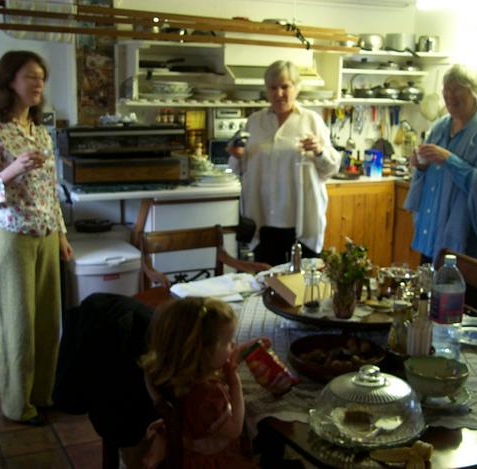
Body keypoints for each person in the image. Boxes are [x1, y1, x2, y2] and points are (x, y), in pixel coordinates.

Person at [0, 50, 73, 425]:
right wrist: (10, 170)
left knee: (47, 321)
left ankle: (42, 394)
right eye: (30, 76)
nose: (38, 83)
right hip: (10, 236)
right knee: (17, 325)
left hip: (45, 234)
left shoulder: (40, 131)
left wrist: (61, 234)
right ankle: (17, 405)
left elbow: (50, 190)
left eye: (41, 77)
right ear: (9, 81)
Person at [228, 60, 340, 266]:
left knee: (303, 281)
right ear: (266, 90)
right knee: (267, 279)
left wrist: (319, 151)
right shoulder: (255, 122)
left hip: (301, 220)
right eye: (273, 88)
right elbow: (239, 169)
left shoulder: (311, 120)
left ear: (296, 88)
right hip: (263, 219)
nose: (279, 93)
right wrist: (236, 155)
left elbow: (332, 168)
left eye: (285, 86)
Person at [140, 297, 266, 469]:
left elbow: (218, 361)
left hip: (182, 449)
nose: (234, 344)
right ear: (203, 353)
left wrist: (245, 350)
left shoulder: (168, 371)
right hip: (208, 461)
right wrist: (235, 383)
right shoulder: (209, 394)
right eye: (228, 342)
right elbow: (235, 429)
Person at [404, 64, 477, 265]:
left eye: (458, 89)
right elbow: (432, 177)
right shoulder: (440, 127)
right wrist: (422, 166)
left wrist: (450, 160)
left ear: (476, 93)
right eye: (447, 88)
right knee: (427, 284)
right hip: (433, 234)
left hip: (468, 243)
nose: (450, 95)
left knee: (460, 286)